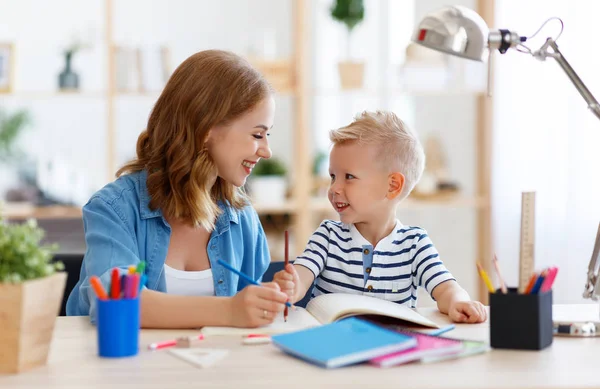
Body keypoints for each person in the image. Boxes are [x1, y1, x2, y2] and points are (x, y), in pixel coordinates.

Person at [66, 49, 289, 328]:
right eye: (257, 134)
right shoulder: (114, 208)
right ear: (206, 128)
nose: (266, 150)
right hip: (116, 366)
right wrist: (229, 311)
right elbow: (114, 301)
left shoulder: (241, 219)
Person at [273, 111, 487, 323]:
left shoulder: (415, 244)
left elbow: (446, 288)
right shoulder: (328, 235)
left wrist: (459, 302)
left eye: (349, 177)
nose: (334, 188)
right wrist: (293, 284)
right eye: (332, 176)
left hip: (392, 347)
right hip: (333, 343)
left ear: (392, 186)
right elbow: (303, 272)